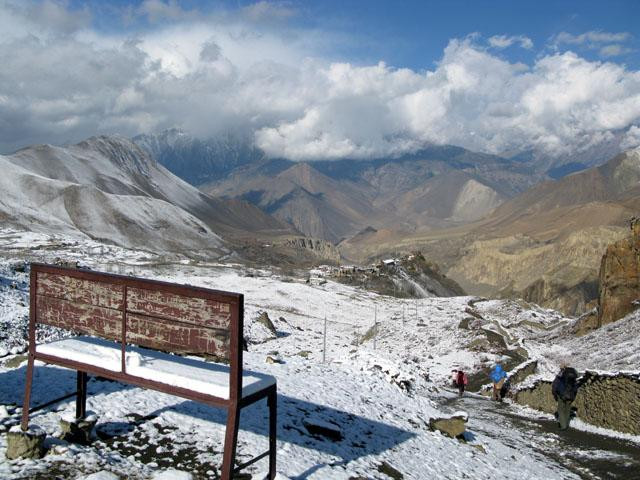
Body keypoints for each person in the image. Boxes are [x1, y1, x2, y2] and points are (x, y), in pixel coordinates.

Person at [552, 366, 579, 430]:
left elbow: (555, 386)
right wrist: (573, 397)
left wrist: (555, 395)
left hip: (561, 395)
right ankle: (566, 424)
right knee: (567, 410)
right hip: (571, 395)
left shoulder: (560, 377)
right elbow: (575, 388)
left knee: (560, 410)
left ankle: (563, 426)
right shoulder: (573, 377)